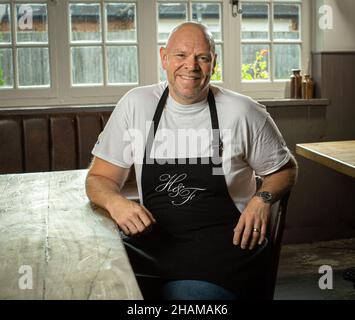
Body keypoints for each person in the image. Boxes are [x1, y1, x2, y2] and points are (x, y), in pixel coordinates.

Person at [86, 21, 298, 300]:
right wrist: (116, 203)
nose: (192, 66)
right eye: (181, 55)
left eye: (202, 57)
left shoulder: (242, 112)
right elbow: (99, 178)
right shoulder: (136, 105)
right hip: (151, 247)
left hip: (222, 254)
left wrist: (262, 199)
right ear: (164, 57)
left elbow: (285, 169)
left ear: (214, 63)